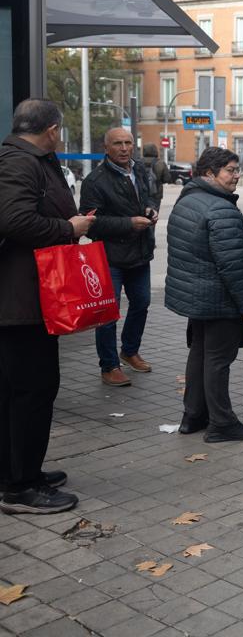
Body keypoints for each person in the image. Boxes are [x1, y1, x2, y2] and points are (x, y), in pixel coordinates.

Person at [0, 99, 95, 514]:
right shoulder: (20, 163)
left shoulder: (28, 159)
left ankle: (20, 471)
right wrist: (68, 228)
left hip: (25, 300)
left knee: (20, 392)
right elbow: (16, 221)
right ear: (52, 129)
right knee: (31, 391)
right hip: (19, 305)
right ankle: (21, 487)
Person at [165, 147, 243, 443]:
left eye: (237, 169)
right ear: (209, 173)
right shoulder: (220, 208)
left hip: (197, 295)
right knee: (218, 360)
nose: (236, 175)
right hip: (219, 299)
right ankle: (222, 424)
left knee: (200, 354)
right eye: (230, 170)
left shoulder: (188, 200)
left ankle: (193, 416)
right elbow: (233, 264)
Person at [80, 127, 161, 386]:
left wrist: (151, 209)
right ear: (106, 148)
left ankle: (129, 350)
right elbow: (90, 223)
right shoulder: (95, 181)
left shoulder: (139, 169)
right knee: (107, 314)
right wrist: (128, 223)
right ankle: (109, 365)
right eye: (118, 144)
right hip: (110, 258)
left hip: (140, 252)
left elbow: (148, 196)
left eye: (128, 143)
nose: (124, 148)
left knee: (142, 303)